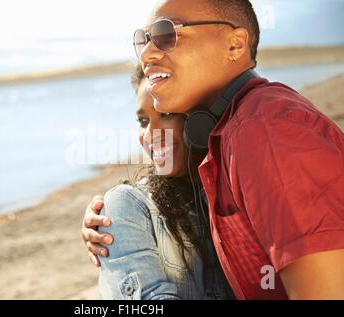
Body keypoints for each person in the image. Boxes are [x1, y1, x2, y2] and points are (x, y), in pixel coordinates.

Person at [82, 0, 344, 299]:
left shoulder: (263, 128)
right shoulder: (232, 140)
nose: (147, 52)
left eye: (168, 34)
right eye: (142, 40)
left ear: (235, 45)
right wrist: (122, 218)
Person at [97, 64, 233, 299]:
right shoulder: (128, 204)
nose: (150, 134)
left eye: (167, 114)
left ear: (201, 119)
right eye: (142, 121)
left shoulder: (237, 187)